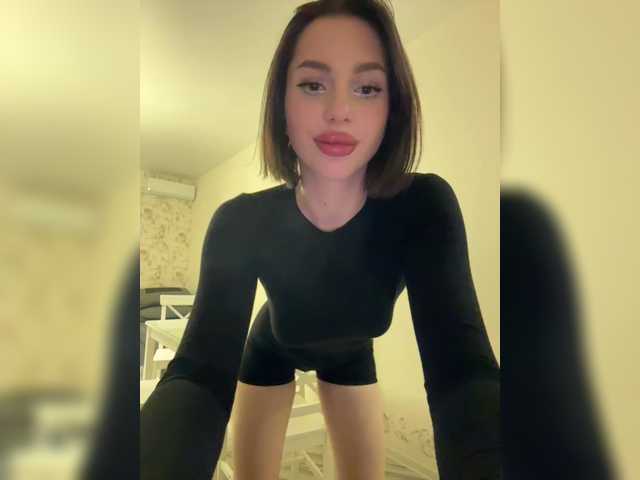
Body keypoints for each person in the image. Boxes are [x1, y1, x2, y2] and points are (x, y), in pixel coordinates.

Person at [140, 1, 501, 479]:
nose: (339, 112)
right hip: (269, 352)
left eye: (367, 88)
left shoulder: (423, 209)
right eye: (313, 85)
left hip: (352, 356)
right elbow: (198, 376)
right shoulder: (241, 221)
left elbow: (463, 374)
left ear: (391, 111)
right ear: (282, 105)